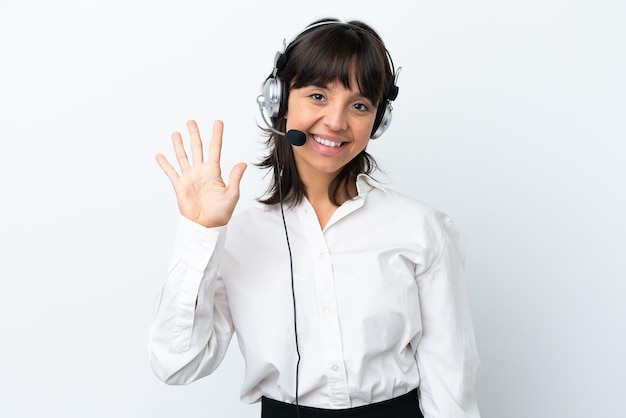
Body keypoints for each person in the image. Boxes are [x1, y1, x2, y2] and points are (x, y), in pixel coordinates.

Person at [149, 18, 481, 418]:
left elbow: (451, 381)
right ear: (279, 100)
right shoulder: (239, 236)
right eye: (318, 96)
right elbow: (176, 364)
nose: (337, 121)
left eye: (359, 105)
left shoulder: (420, 228)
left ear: (377, 121)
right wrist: (201, 233)